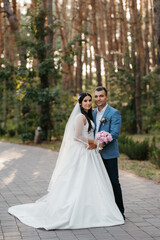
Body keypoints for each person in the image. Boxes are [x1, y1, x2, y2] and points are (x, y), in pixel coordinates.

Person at [8, 93, 124, 230]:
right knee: (80, 181)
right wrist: (96, 141)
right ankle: (78, 210)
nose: (88, 102)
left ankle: (98, 208)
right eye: (85, 101)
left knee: (96, 182)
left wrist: (97, 142)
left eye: (89, 100)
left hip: (92, 153)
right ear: (80, 103)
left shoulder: (91, 115)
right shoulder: (80, 117)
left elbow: (109, 132)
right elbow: (77, 136)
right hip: (84, 152)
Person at [92, 86, 125, 220]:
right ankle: (101, 210)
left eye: (101, 96)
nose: (98, 98)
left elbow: (115, 133)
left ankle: (120, 210)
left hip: (109, 154)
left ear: (106, 97)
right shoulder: (92, 113)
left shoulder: (114, 113)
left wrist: (102, 144)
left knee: (113, 182)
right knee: (97, 183)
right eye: (96, 96)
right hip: (93, 155)